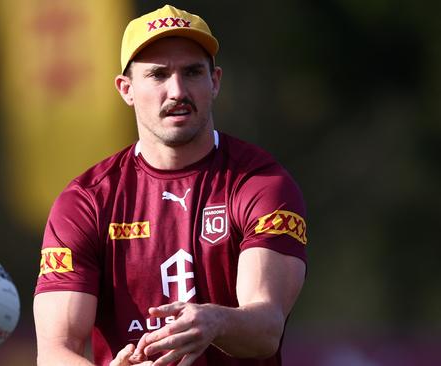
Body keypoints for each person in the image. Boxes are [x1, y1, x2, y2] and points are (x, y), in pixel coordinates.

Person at [33, 4, 307, 366]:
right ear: (126, 89)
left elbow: (266, 329)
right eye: (158, 75)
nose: (177, 90)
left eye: (192, 72)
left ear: (215, 81)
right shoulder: (85, 202)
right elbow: (55, 351)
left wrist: (216, 321)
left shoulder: (262, 183)